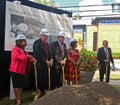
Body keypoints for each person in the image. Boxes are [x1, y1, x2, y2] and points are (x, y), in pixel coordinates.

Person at [9, 34, 36, 105]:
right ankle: (17, 100)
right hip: (16, 70)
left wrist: (32, 59)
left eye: (24, 41)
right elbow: (18, 57)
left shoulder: (23, 50)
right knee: (16, 86)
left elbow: (27, 58)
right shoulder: (15, 49)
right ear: (18, 42)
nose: (23, 43)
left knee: (20, 86)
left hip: (22, 71)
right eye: (21, 41)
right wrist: (28, 56)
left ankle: (19, 98)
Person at [33, 28, 53, 96]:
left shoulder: (47, 44)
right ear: (41, 35)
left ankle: (45, 93)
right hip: (40, 65)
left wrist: (51, 60)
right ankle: (40, 93)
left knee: (46, 79)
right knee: (40, 80)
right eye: (45, 36)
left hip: (47, 65)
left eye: (47, 36)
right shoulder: (37, 43)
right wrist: (45, 60)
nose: (46, 37)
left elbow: (50, 53)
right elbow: (38, 54)